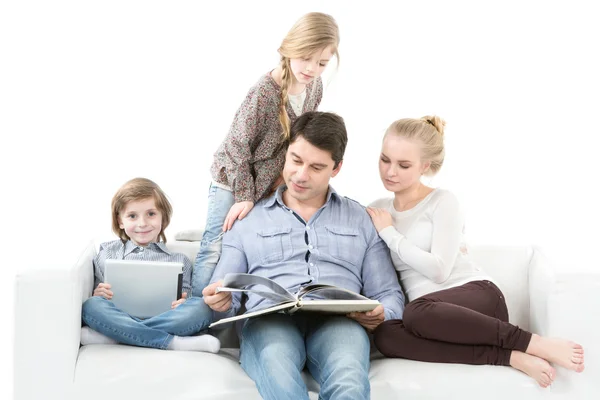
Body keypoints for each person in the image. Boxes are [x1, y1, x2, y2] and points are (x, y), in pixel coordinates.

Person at [367, 116, 585, 388]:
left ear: (425, 166)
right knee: (386, 336)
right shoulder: (377, 208)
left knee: (416, 312)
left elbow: (439, 270)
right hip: (429, 319)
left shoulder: (442, 201)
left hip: (477, 298)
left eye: (403, 165)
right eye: (385, 159)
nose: (390, 171)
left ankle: (534, 343)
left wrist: (390, 233)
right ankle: (509, 358)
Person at [202, 112, 405, 400]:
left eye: (316, 167)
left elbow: (389, 293)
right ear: (286, 154)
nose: (300, 175)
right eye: (296, 160)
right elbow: (223, 294)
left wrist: (383, 312)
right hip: (270, 322)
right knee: (277, 369)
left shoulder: (361, 220)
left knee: (348, 379)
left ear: (336, 168)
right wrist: (218, 300)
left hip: (340, 323)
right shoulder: (247, 219)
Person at [191, 12, 340, 295]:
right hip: (233, 179)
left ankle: (222, 316)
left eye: (322, 63)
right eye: (306, 58)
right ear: (290, 49)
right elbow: (237, 147)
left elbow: (298, 143)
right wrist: (245, 196)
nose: (311, 69)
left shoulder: (314, 87)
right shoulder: (265, 92)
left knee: (245, 248)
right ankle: (195, 312)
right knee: (214, 246)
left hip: (266, 183)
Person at [81, 177, 220, 353]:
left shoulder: (180, 260)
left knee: (202, 308)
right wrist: (98, 293)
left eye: (151, 214)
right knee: (91, 306)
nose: (142, 223)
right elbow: (100, 299)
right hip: (119, 317)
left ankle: (116, 337)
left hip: (164, 319)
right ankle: (171, 343)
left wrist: (183, 302)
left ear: (163, 217)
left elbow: (185, 300)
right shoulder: (107, 253)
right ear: (120, 221)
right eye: (132, 216)